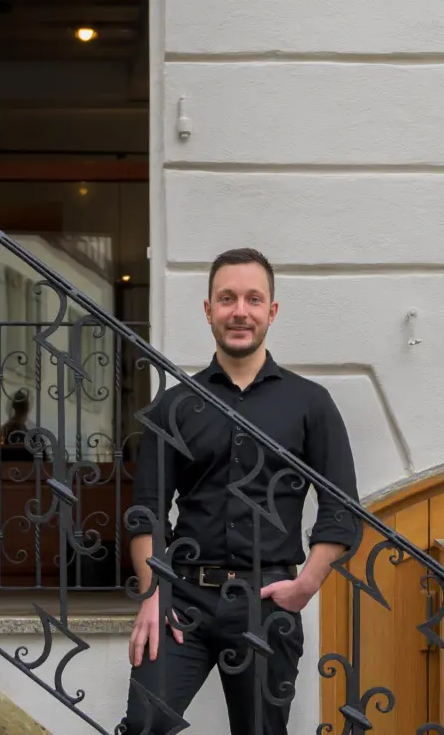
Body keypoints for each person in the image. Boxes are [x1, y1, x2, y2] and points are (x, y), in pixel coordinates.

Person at [119, 247, 360, 735]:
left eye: (253, 299)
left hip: (266, 601)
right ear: (208, 310)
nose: (240, 311)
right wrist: (152, 594)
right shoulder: (174, 405)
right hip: (181, 597)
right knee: (145, 724)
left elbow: (342, 507)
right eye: (227, 299)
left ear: (271, 311)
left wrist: (305, 585)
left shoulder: (310, 403)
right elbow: (147, 510)